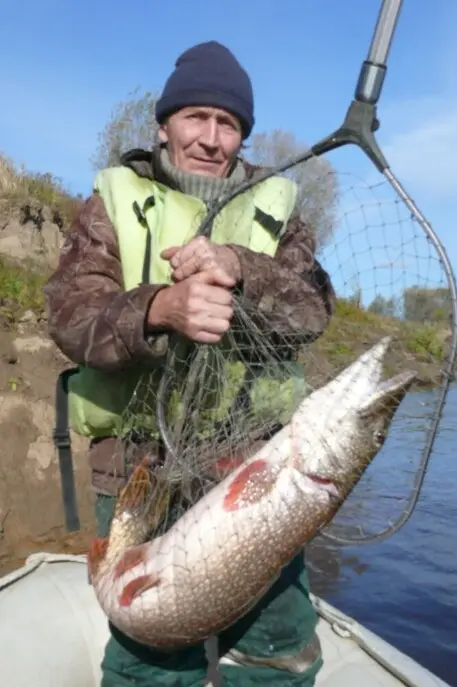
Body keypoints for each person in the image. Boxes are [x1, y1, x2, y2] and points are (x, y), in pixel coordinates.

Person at [44, 40, 336, 687]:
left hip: (252, 470)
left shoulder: (280, 209)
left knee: (278, 644)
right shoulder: (112, 200)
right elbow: (67, 314)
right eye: (195, 117)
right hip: (135, 469)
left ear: (242, 135)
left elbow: (314, 306)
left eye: (227, 122)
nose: (209, 137)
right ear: (163, 124)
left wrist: (240, 269)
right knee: (147, 653)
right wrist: (159, 308)